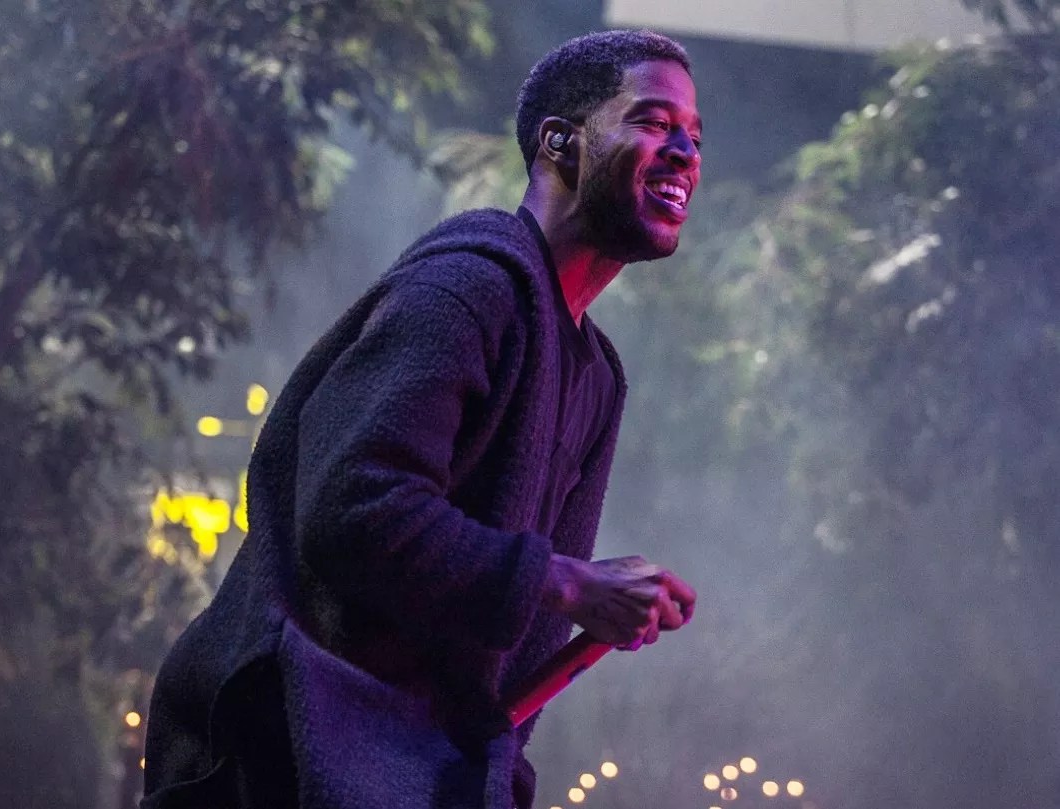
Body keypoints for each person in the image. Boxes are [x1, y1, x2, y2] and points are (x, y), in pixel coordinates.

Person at [142, 28, 701, 809]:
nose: (684, 153)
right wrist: (568, 582)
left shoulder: (595, 376)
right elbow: (353, 509)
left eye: (694, 135)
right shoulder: (465, 289)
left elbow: (510, 651)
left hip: (408, 770)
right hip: (283, 754)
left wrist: (492, 768)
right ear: (559, 143)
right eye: (652, 121)